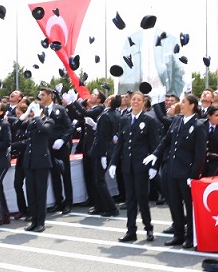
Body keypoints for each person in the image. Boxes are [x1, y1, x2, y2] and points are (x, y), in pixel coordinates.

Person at [149, 94, 208, 248]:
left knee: (189, 206)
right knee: (174, 204)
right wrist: (155, 154)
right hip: (172, 169)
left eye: (184, 102)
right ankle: (178, 234)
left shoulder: (198, 125)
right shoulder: (177, 120)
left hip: (186, 172)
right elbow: (166, 140)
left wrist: (194, 175)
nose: (181, 104)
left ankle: (190, 237)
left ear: (192, 106)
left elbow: (200, 154)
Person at [109, 91, 161, 243]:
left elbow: (154, 145)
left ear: (143, 103)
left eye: (139, 100)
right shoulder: (124, 119)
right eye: (134, 99)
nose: (135, 102)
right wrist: (113, 163)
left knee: (142, 198)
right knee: (130, 199)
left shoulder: (149, 120)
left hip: (141, 166)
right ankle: (131, 230)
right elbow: (121, 143)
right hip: (127, 166)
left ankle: (148, 228)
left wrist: (154, 166)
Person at [21, 92, 55, 232]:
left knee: (40, 193)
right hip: (29, 161)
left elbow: (44, 131)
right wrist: (27, 113)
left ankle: (41, 222)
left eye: (35, 108)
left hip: (41, 161)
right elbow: (18, 125)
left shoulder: (48, 121)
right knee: (31, 192)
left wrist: (36, 116)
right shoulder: (31, 122)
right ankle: (33, 221)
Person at [87, 94, 120, 217]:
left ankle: (111, 208)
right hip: (107, 149)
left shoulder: (106, 115)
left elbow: (103, 136)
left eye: (109, 97)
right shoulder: (115, 113)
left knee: (99, 180)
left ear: (111, 101)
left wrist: (103, 155)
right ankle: (100, 206)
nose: (107, 98)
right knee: (98, 180)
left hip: (102, 150)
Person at [43, 89, 74, 214]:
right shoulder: (42, 110)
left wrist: (62, 140)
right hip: (48, 147)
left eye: (43, 94)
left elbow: (70, 127)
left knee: (65, 174)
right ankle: (58, 201)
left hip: (61, 147)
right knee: (54, 175)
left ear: (50, 96)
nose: (41, 96)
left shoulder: (60, 109)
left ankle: (68, 202)